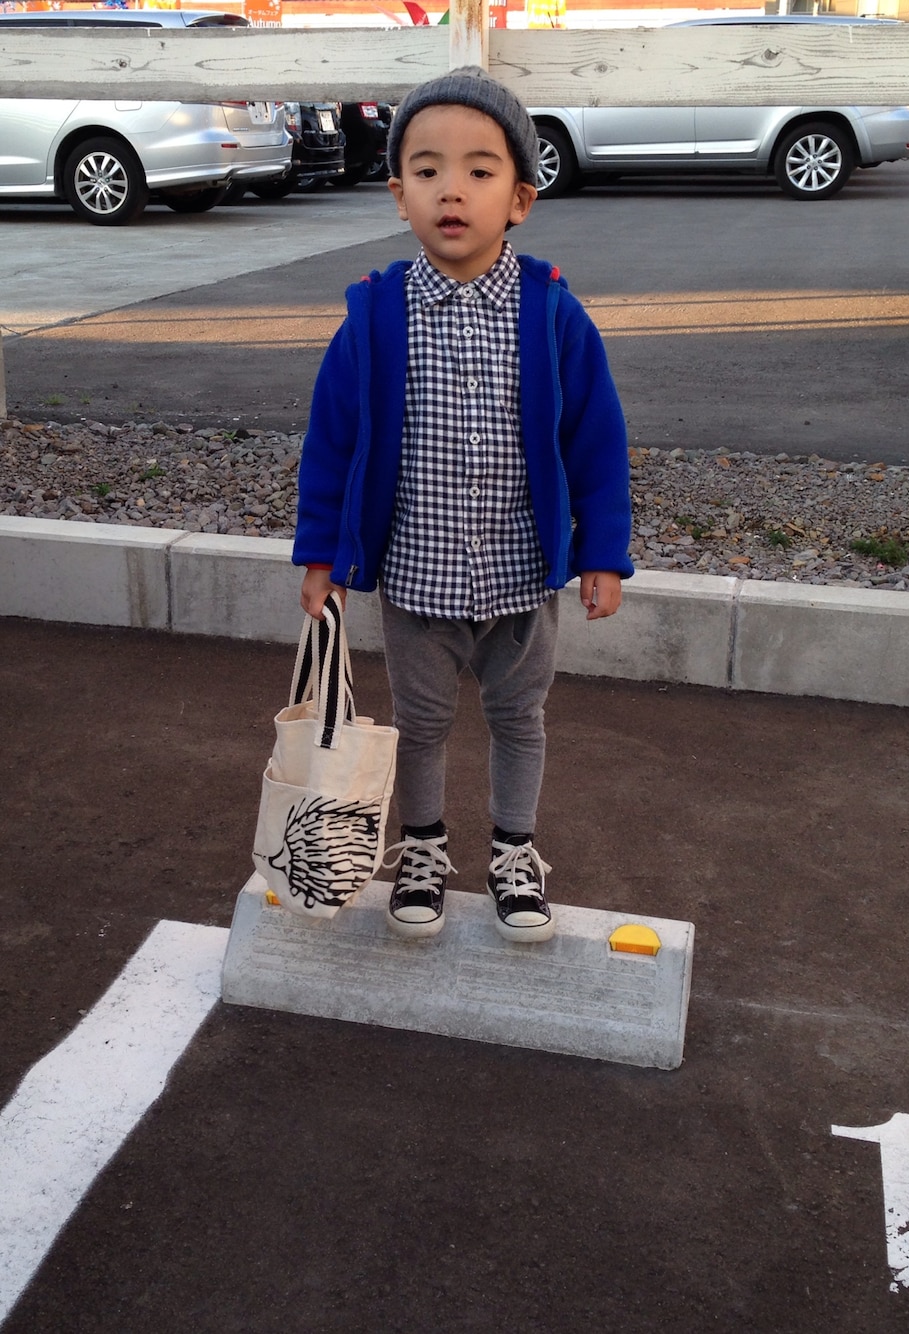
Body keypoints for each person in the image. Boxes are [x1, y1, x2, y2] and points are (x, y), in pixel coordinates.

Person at [293, 65, 633, 944]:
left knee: (520, 718)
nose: (453, 189)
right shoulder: (376, 317)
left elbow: (596, 441)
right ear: (397, 192)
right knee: (422, 724)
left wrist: (602, 552)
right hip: (418, 576)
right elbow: (332, 442)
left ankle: (515, 854)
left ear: (519, 198)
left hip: (521, 575)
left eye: (480, 170)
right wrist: (322, 552)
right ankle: (422, 849)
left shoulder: (552, 314)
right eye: (428, 169)